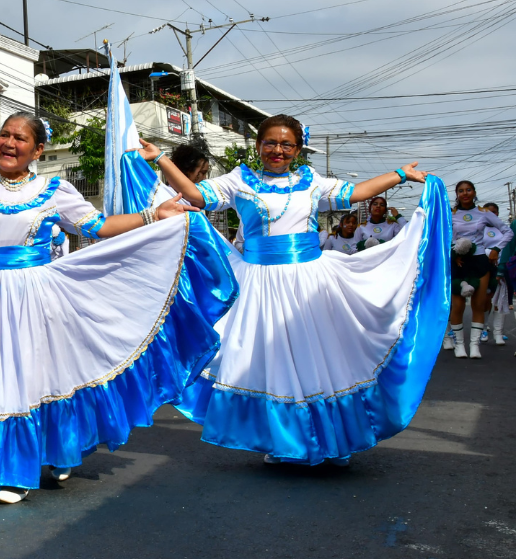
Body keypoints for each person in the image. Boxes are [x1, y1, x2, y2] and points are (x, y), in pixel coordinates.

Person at [0, 114, 236, 504]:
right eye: (5, 135)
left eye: (20, 138)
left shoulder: (53, 189)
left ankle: (20, 466)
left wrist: (153, 216)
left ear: (37, 150)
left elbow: (97, 226)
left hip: (34, 296)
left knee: (32, 376)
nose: (9, 143)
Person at [161, 114, 450, 467]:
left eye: (287, 145)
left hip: (311, 281)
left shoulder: (311, 181)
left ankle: (333, 440)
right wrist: (160, 158)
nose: (277, 150)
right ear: (258, 145)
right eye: (271, 143)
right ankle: (284, 441)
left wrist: (400, 174)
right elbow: (195, 195)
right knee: (273, 361)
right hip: (261, 284)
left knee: (319, 358)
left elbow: (356, 193)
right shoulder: (239, 180)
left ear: (297, 150)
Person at [445, 186, 511, 358]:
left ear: (474, 193)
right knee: (458, 305)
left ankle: (474, 346)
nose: (465, 193)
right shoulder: (450, 214)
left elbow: (508, 232)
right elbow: (441, 237)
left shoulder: (484, 213)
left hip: (480, 261)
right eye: (461, 191)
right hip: (458, 262)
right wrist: (453, 253)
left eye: (468, 190)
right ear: (457, 195)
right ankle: (459, 345)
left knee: (478, 305)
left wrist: (496, 249)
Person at [480, 203, 509, 345]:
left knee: (500, 299)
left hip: (502, 267)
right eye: (488, 212)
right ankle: (484, 328)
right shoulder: (479, 228)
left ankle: (498, 332)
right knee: (486, 298)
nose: (492, 214)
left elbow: (508, 247)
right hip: (485, 267)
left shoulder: (504, 229)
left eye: (494, 212)